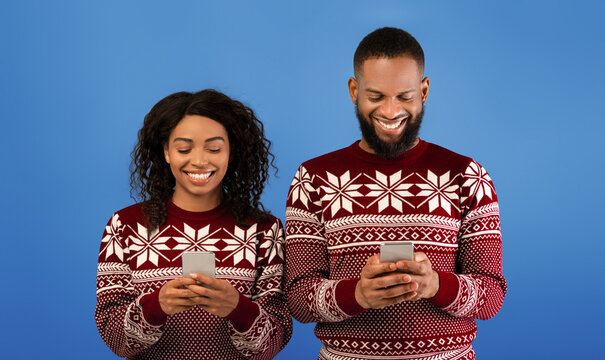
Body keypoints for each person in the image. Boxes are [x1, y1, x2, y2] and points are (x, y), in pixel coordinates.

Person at [285, 27, 507, 359]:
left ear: (425, 91)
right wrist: (359, 295)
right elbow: (299, 299)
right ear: (353, 90)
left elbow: (492, 296)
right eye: (376, 97)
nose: (391, 111)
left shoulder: (467, 176)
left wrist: (435, 285)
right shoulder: (313, 178)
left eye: (404, 97)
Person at [95, 89, 292, 359]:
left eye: (213, 148)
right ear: (166, 152)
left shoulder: (264, 231)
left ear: (231, 152)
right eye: (184, 149)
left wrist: (238, 308)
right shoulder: (125, 226)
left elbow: (272, 344)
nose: (199, 161)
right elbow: (115, 339)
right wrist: (156, 306)